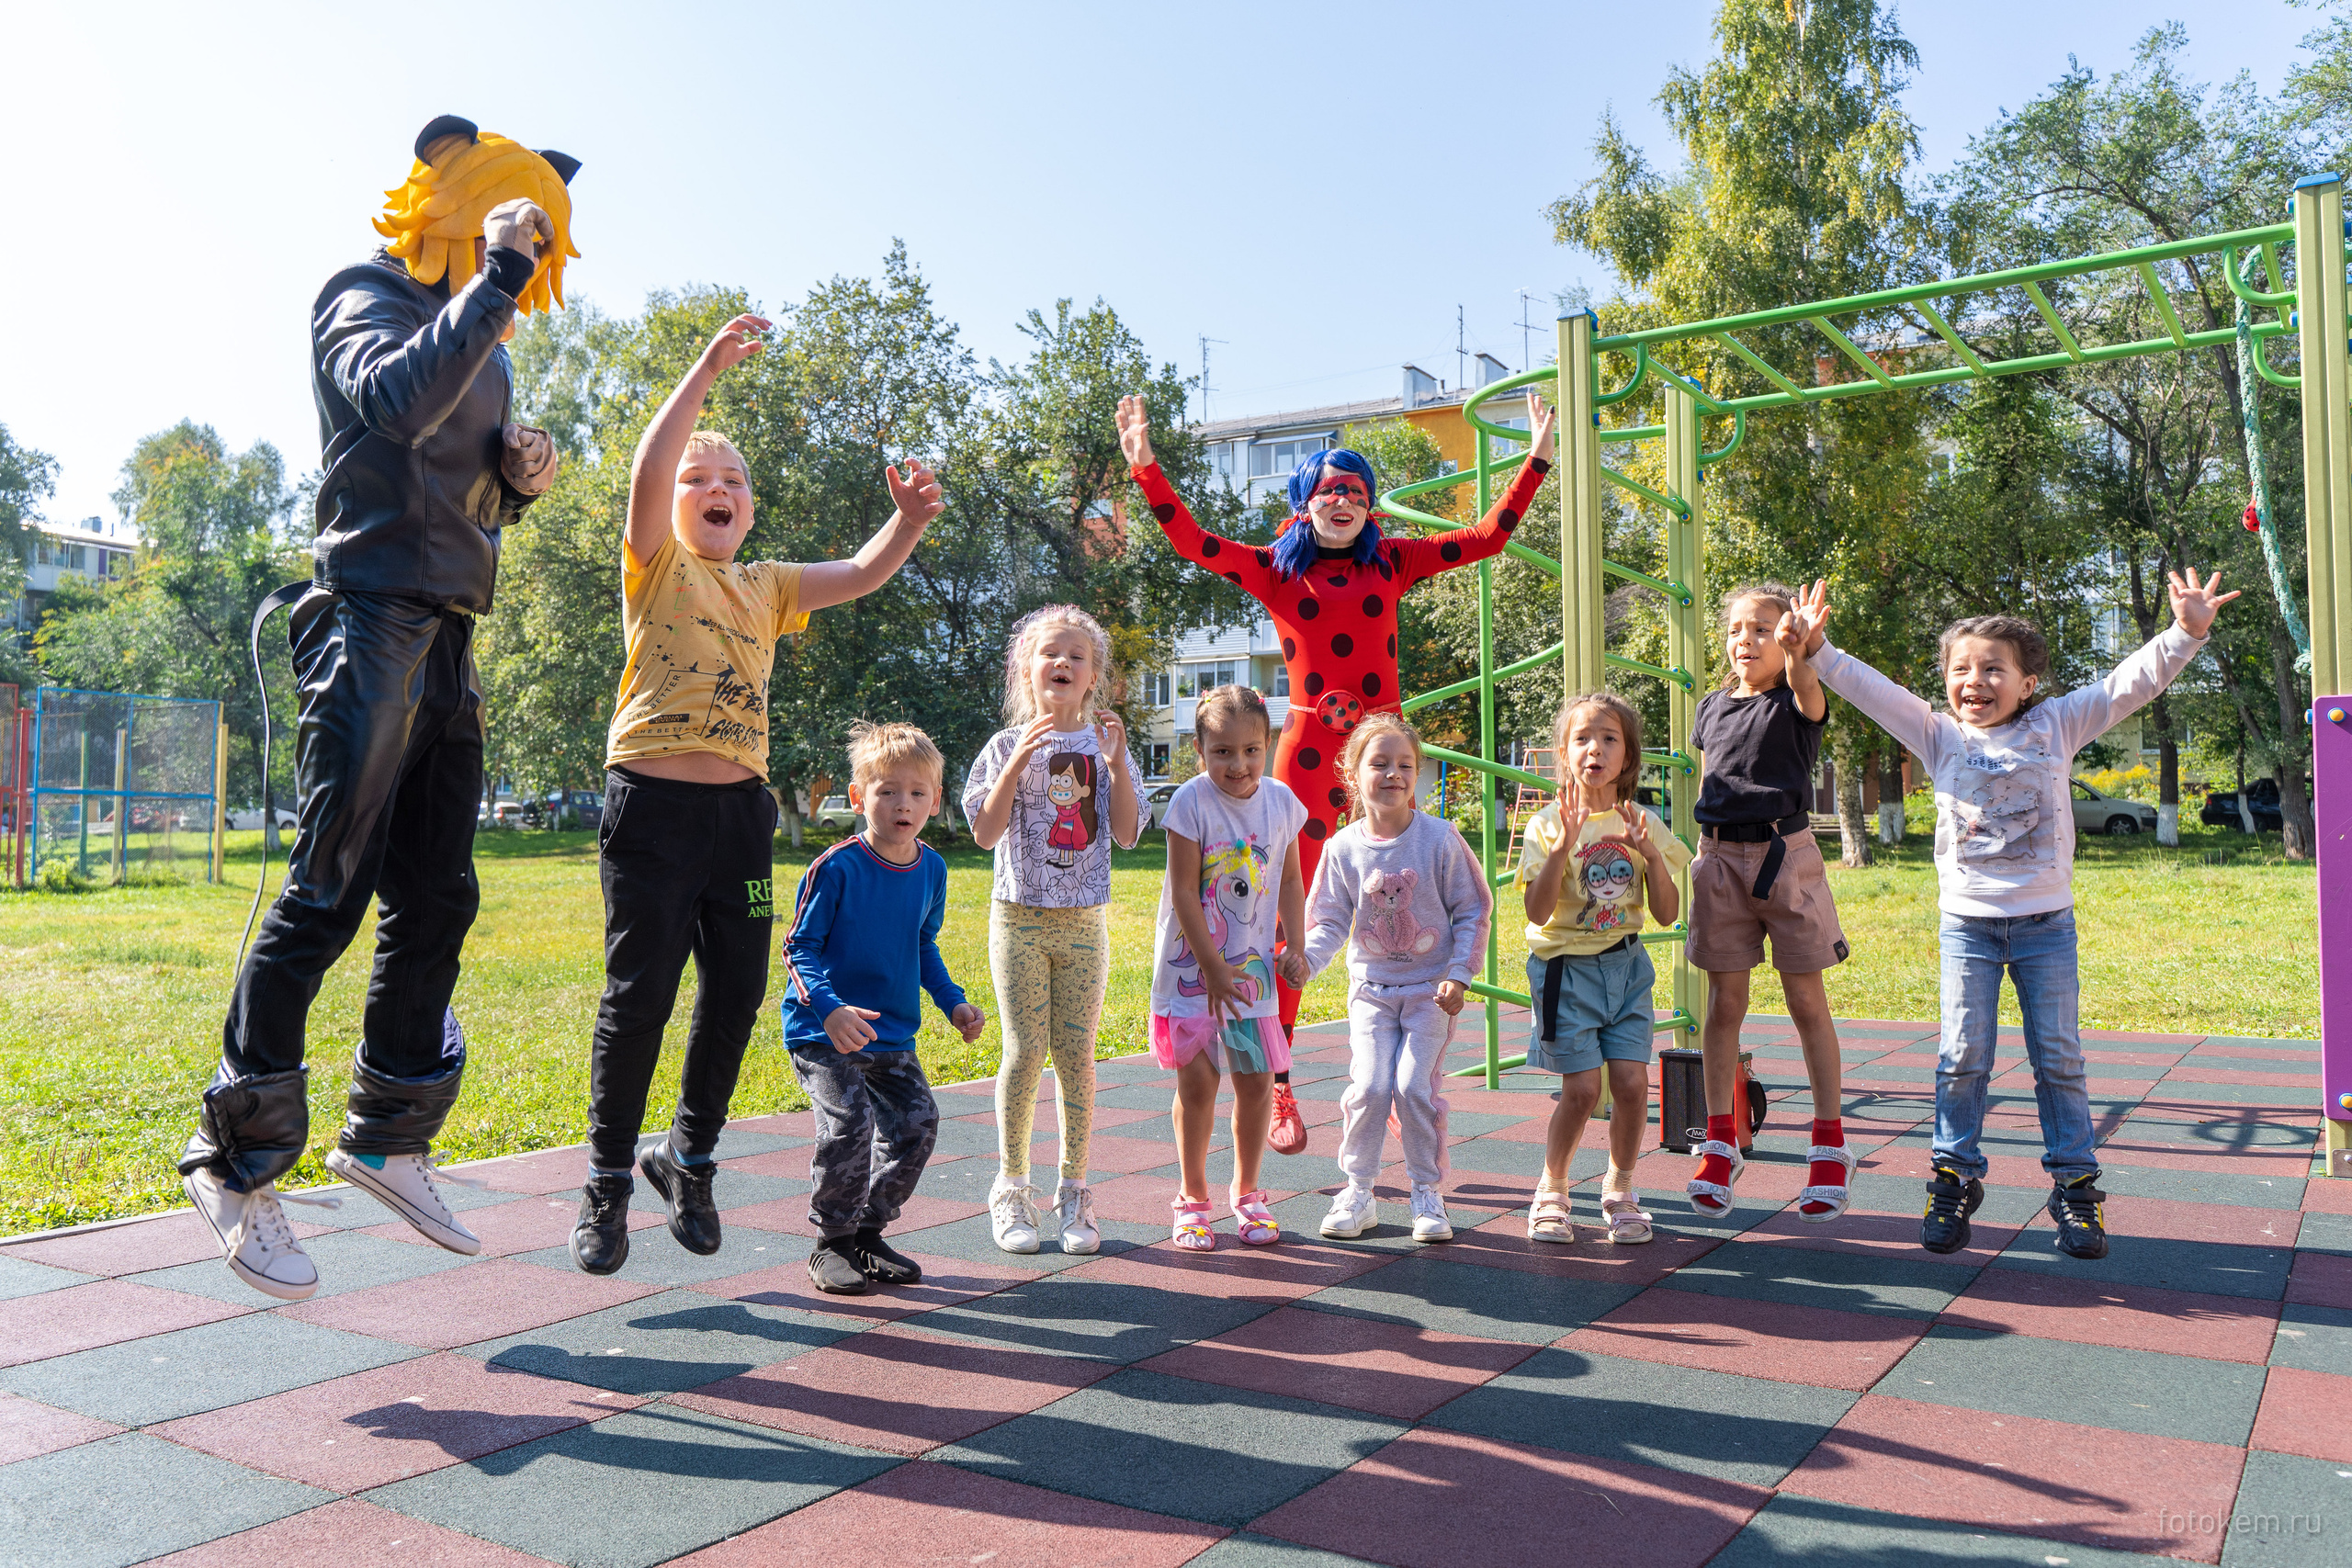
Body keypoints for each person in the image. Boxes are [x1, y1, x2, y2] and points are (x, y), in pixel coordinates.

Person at [179, 117, 581, 1301]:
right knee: (329, 887)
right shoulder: (364, 294)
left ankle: (390, 1136)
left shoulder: (487, 340)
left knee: (440, 893)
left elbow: (445, 478)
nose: (532, 263)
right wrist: (495, 279)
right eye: (524, 232)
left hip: (449, 628)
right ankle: (233, 1161)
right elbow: (395, 407)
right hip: (365, 619)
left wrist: (516, 479)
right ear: (460, 198)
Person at [567, 314, 946, 1275]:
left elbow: (860, 572)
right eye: (700, 479)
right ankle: (606, 1183)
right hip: (651, 808)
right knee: (639, 997)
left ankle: (688, 1159)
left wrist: (907, 521)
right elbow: (649, 471)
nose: (716, 489)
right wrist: (705, 369)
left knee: (736, 992)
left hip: (740, 816)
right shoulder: (656, 565)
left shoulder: (767, 587)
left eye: (733, 480)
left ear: (750, 508)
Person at [1116, 390, 1555, 1157]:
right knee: (1282, 921)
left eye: (1355, 490)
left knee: (1403, 896)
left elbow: (1488, 537)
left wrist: (1537, 459)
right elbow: (1194, 542)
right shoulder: (1277, 572)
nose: (1342, 501)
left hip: (1381, 756)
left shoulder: (1396, 561)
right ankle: (1281, 1078)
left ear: (1370, 504)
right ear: (1304, 504)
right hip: (1308, 758)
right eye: (1328, 491)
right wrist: (1147, 469)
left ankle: (1402, 1074)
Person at [1793, 571, 2236, 1258]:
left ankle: (2075, 1187)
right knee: (1961, 1056)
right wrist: (1819, 650)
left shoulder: (2056, 724)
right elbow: (1872, 691)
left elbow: (2128, 685)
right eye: (1961, 669)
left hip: (2045, 927)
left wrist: (2185, 633)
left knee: (2059, 1059)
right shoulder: (1938, 735)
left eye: (1993, 669)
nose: (1974, 680)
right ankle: (1953, 1177)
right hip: (1967, 929)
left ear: (2028, 683)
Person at [963, 605, 1146, 1254]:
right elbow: (984, 834)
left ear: (1094, 675)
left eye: (1076, 655)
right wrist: (1017, 763)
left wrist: (1117, 766)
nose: (1062, 662)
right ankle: (1012, 1187)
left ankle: (1074, 1190)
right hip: (1018, 920)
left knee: (1076, 1056)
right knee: (1023, 1051)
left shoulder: (1106, 745)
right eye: (1050, 653)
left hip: (1084, 925)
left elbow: (1127, 833)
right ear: (1026, 669)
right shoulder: (1002, 746)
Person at [779, 722, 985, 1294]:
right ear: (857, 797)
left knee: (917, 1127)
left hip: (890, 1034)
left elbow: (922, 945)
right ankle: (831, 1243)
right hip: (824, 1031)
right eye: (888, 791)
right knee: (849, 1124)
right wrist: (830, 1009)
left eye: (917, 793)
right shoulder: (836, 867)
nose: (903, 804)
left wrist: (953, 1003)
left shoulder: (932, 869)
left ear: (935, 800)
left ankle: (866, 1235)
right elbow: (798, 947)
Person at [1683, 584, 1853, 1222]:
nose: (1746, 640)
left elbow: (1806, 683)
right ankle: (1721, 1139)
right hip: (1719, 859)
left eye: (1762, 629)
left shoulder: (1797, 698)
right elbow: (1715, 778)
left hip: (1785, 856)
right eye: (1736, 629)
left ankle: (1830, 1143)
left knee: (1805, 999)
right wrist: (1706, 857)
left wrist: (1801, 650)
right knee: (1724, 1003)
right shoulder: (1712, 705)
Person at [1298, 714, 1490, 1243]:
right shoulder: (1342, 848)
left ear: (1417, 773)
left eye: (1405, 765)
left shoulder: (1439, 839)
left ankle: (1426, 1192)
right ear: (1352, 773)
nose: (1393, 774)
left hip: (1431, 994)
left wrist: (1460, 974)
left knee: (1411, 1087)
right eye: (1379, 763)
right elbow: (1328, 920)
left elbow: (1473, 908)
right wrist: (1306, 962)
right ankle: (1358, 1191)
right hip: (1372, 993)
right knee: (1370, 1086)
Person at [1516, 693, 1690, 1244]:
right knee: (1583, 1091)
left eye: (1609, 738)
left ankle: (1621, 1188)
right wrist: (1563, 847)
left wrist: (1653, 856)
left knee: (1634, 1084)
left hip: (1627, 967)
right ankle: (1552, 1189)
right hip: (1565, 971)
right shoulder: (1547, 825)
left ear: (1627, 756)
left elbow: (1667, 913)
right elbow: (1536, 911)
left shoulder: (1643, 822)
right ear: (1564, 754)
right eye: (1582, 738)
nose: (1595, 748)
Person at [1148, 685, 1309, 1250]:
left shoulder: (1281, 802)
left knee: (1256, 1083)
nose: (1237, 765)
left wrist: (1296, 945)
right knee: (1198, 1084)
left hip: (1251, 976)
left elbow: (1290, 879)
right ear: (1200, 750)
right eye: (1222, 752)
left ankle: (1248, 1192)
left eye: (1250, 751)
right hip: (1193, 973)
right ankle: (1192, 1198)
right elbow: (1185, 893)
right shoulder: (1190, 802)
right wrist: (1212, 968)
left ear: (1268, 746)